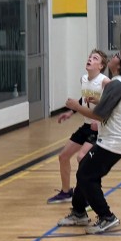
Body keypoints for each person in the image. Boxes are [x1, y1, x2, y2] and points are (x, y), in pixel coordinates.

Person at [57, 49, 121, 234]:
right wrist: (99, 101)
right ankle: (79, 212)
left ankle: (106, 216)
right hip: (118, 138)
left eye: (117, 56)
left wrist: (76, 107)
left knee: (87, 175)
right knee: (85, 170)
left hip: (115, 140)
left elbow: (99, 116)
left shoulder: (116, 84)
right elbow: (112, 107)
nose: (113, 56)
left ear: (120, 65)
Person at [47, 49, 110, 203]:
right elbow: (83, 99)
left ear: (101, 66)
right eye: (90, 57)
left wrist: (100, 121)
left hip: (99, 129)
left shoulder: (105, 82)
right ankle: (66, 192)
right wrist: (71, 112)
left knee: (82, 157)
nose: (90, 59)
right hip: (86, 126)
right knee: (63, 157)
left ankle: (88, 196)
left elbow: (112, 104)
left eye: (95, 58)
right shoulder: (83, 79)